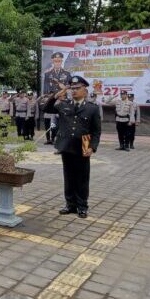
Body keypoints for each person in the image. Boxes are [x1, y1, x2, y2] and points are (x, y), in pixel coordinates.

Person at [42, 76, 101, 219]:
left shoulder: (92, 108)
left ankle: (82, 206)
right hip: (66, 145)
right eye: (72, 88)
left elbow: (96, 131)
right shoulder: (64, 104)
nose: (73, 91)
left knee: (82, 178)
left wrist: (92, 147)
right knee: (68, 177)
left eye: (77, 88)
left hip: (83, 145)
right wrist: (57, 94)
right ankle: (70, 204)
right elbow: (46, 108)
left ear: (85, 91)